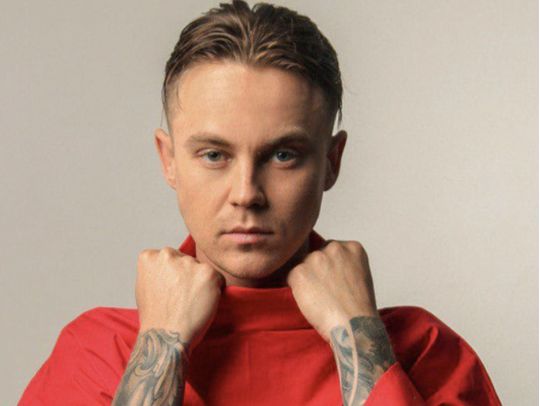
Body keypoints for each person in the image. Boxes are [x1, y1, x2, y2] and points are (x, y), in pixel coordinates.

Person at [19, 1, 502, 405]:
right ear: (169, 160)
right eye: (214, 155)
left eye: (283, 155)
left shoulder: (423, 352)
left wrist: (357, 337)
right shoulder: (98, 351)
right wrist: (161, 344)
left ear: (331, 161)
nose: (246, 193)